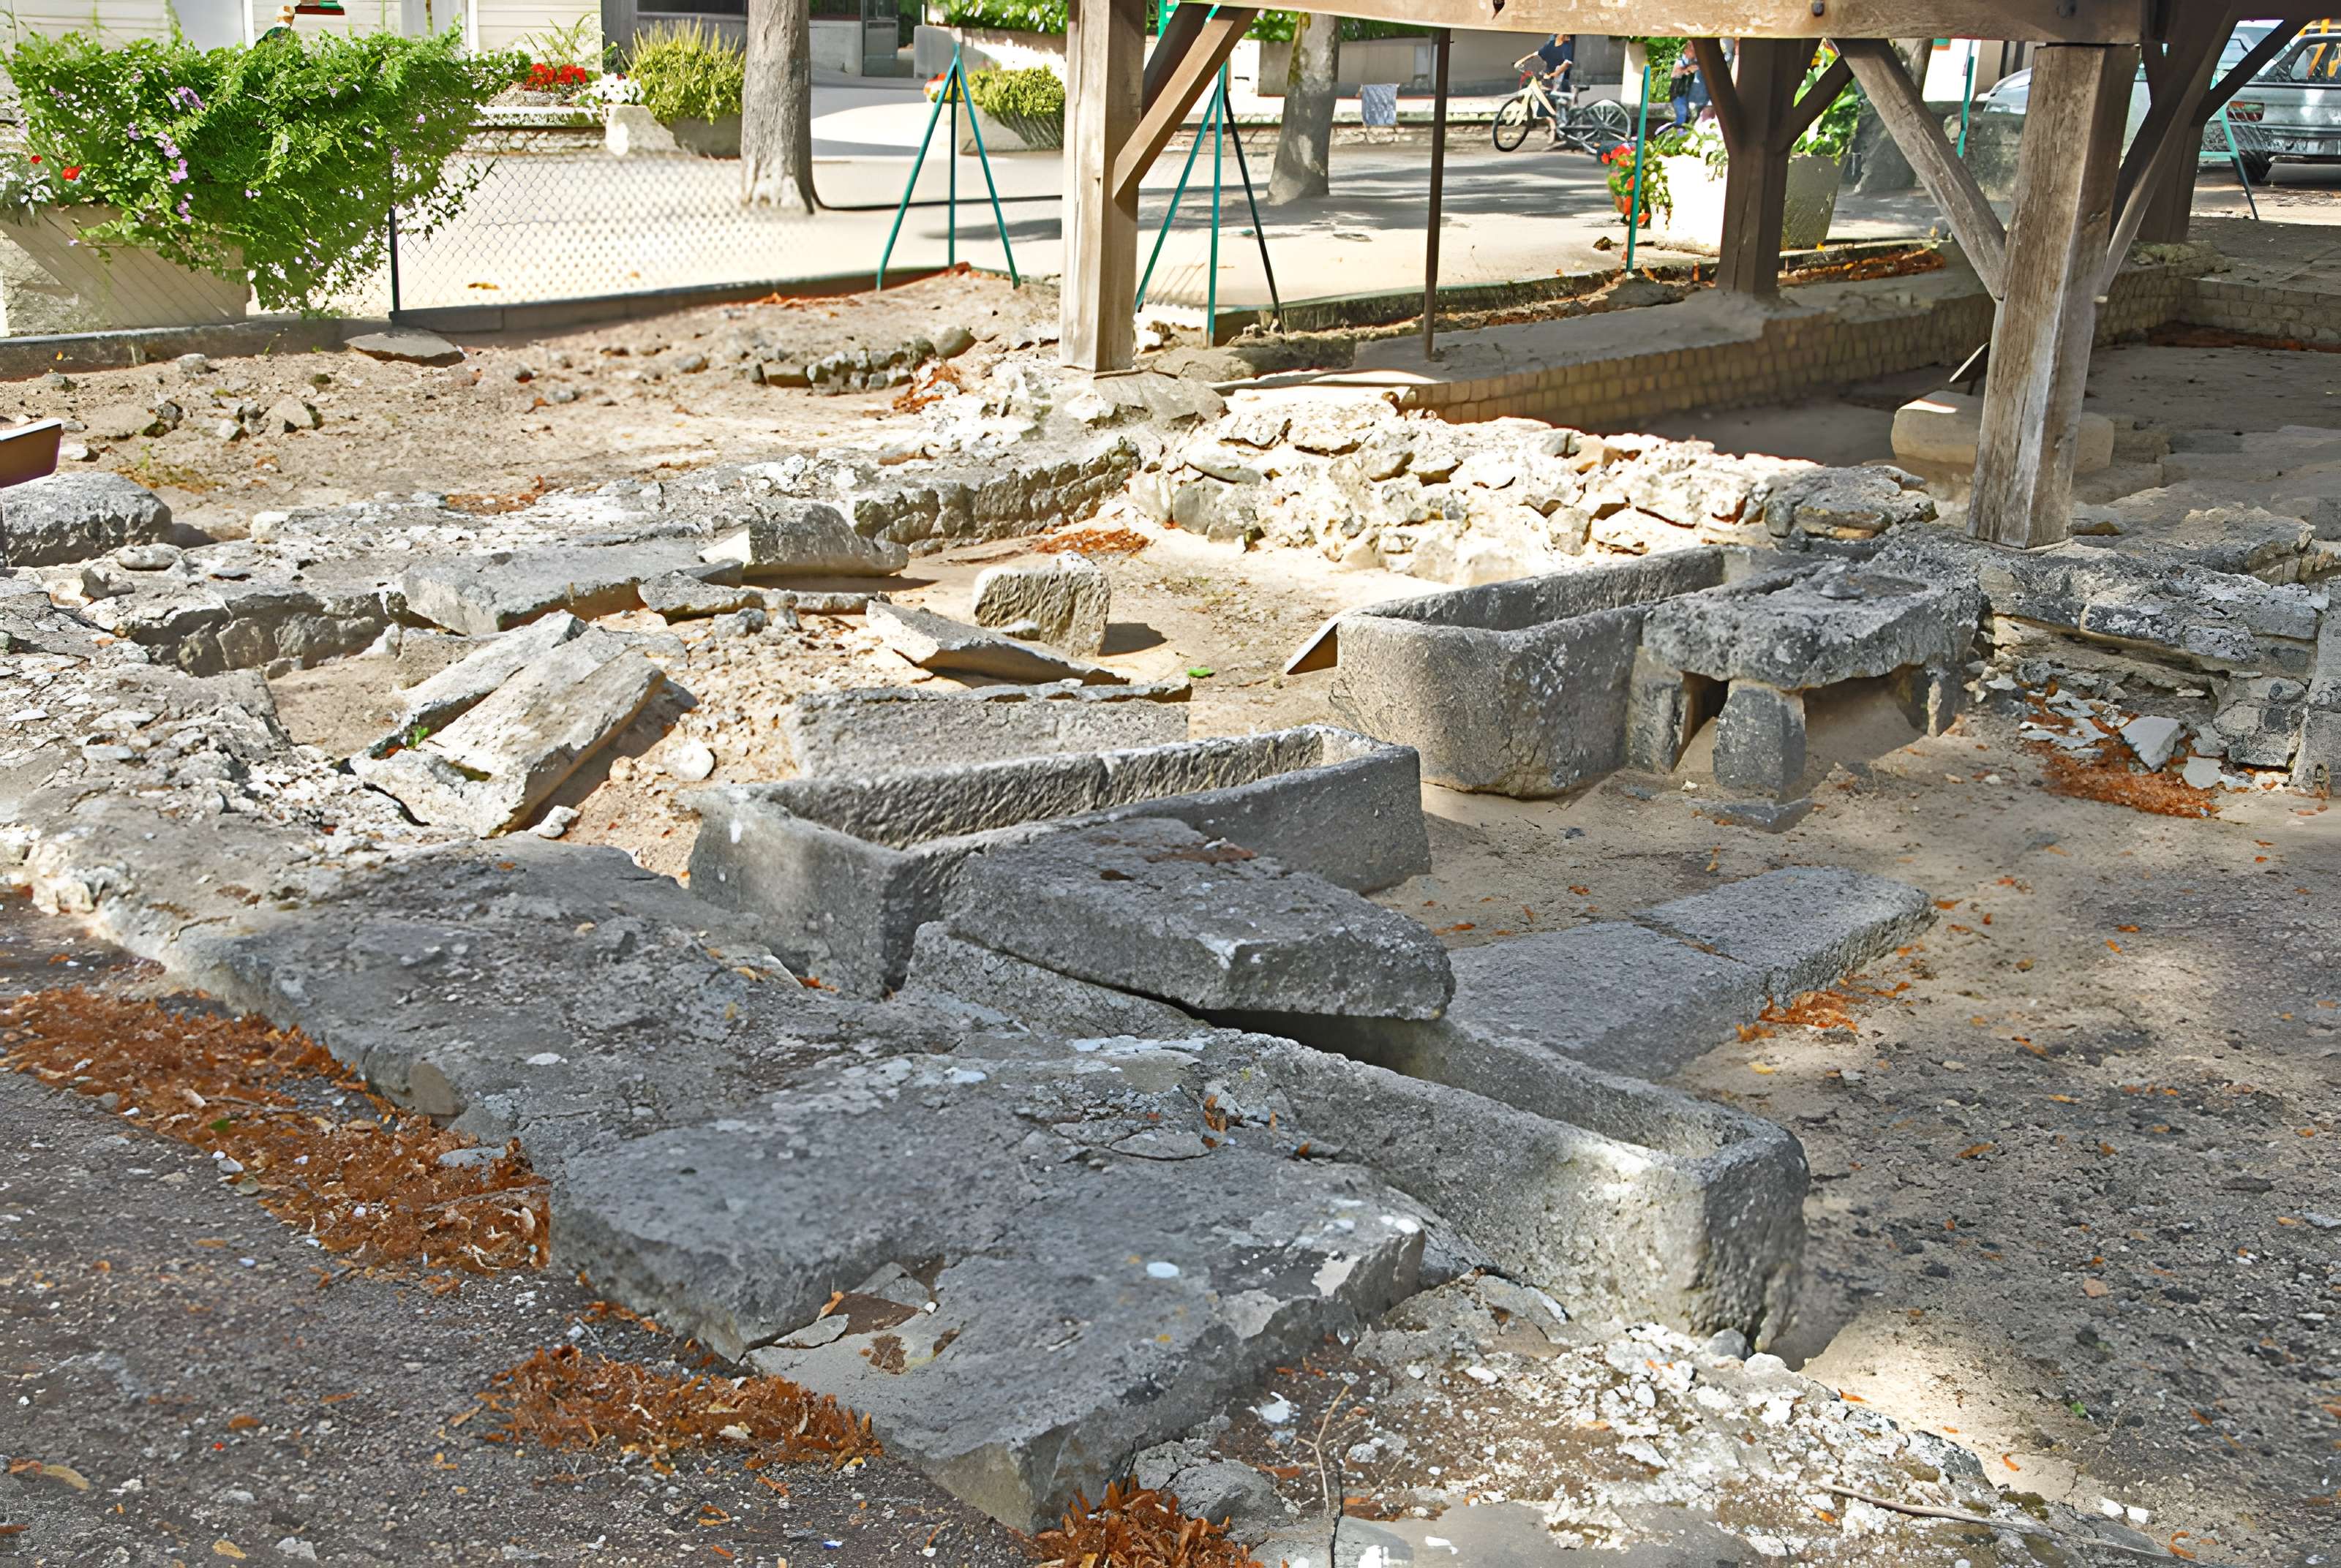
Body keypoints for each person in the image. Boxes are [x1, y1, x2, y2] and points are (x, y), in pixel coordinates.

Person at [1534, 34, 1576, 146]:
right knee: (1545, 97)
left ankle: (1560, 131)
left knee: (1560, 99)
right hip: (1553, 73)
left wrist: (1555, 73)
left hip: (1562, 74)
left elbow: (1567, 61)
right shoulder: (1553, 40)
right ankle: (1554, 128)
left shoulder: (1568, 42)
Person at [1669, 48, 1701, 128]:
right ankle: (1678, 134)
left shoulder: (1693, 61)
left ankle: (1680, 132)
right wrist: (1687, 70)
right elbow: (1674, 75)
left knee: (1687, 116)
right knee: (1682, 116)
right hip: (1678, 94)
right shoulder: (1681, 61)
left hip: (1685, 95)